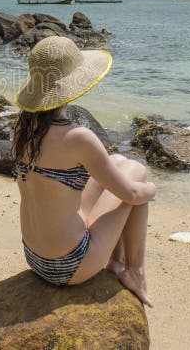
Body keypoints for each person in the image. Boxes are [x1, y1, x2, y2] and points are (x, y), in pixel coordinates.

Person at [11, 36, 155, 307]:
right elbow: (133, 194)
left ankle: (115, 261)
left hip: (34, 256)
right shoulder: (78, 137)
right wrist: (153, 190)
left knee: (119, 162)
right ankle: (135, 272)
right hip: (69, 265)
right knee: (137, 173)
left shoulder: (23, 130)